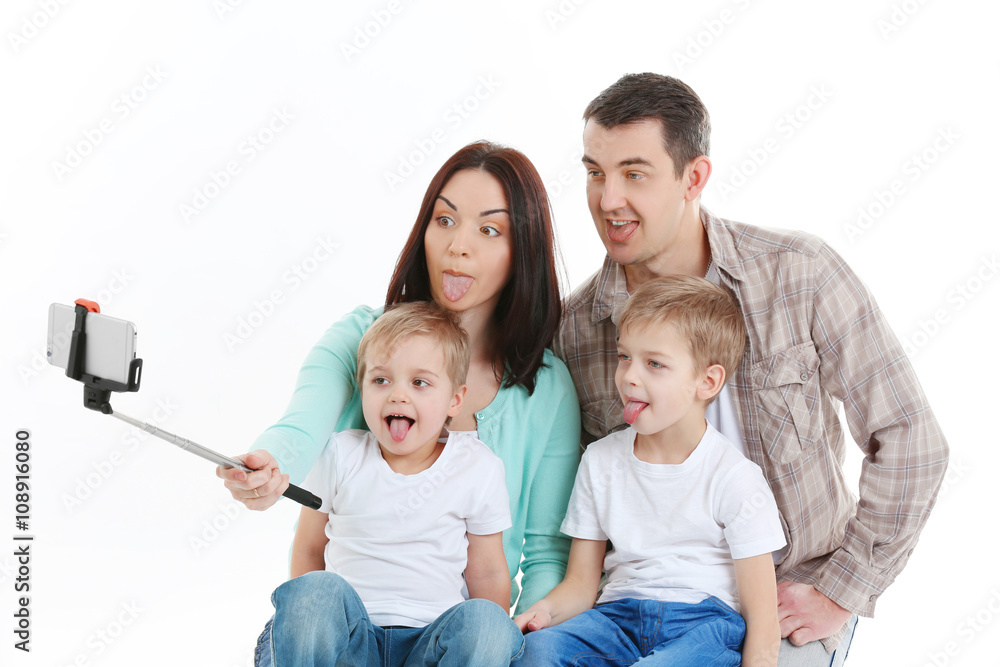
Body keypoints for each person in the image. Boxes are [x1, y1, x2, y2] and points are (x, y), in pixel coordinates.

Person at [555, 73, 949, 664]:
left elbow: (912, 439)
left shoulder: (800, 274)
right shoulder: (577, 328)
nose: (608, 198)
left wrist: (841, 589)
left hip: (790, 593)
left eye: (634, 173)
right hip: (650, 606)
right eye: (594, 172)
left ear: (694, 178)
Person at [218, 141, 582, 613]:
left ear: (523, 251)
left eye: (489, 229)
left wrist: (520, 643)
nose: (458, 246)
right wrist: (266, 466)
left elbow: (548, 554)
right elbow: (299, 430)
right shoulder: (357, 338)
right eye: (444, 220)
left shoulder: (546, 387)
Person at [515, 276, 786, 666]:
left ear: (707, 382)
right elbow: (580, 585)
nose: (629, 377)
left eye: (654, 364)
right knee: (537, 653)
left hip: (703, 626)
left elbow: (762, 619)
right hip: (615, 619)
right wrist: (544, 613)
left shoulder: (735, 478)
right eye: (625, 356)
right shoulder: (600, 460)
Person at [255, 301, 523, 666]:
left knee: (490, 623)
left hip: (429, 645)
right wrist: (308, 627)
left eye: (420, 382)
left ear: (454, 400)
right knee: (314, 591)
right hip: (351, 642)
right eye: (380, 380)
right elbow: (308, 549)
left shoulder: (478, 467)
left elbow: (488, 571)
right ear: (362, 389)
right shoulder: (340, 454)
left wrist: (485, 640)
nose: (398, 394)